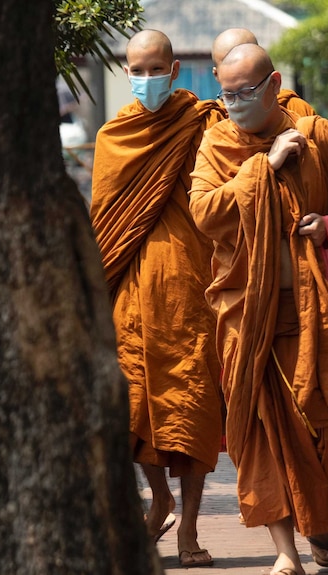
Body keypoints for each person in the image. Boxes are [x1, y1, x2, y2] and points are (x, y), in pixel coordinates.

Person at [188, 43, 328, 575]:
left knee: (318, 424)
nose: (233, 105)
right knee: (262, 428)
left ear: (274, 84)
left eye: (245, 93)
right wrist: (263, 168)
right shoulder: (216, 144)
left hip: (315, 310)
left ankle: (319, 526)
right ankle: (284, 551)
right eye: (225, 94)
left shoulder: (316, 137)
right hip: (247, 313)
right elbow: (204, 213)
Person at [90, 29, 225, 568]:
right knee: (134, 409)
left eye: (155, 70)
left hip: (191, 291)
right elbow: (104, 220)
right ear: (128, 73)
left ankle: (188, 529)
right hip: (128, 293)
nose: (146, 79)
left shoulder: (202, 124)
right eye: (136, 70)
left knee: (191, 405)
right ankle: (159, 497)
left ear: (174, 72)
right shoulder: (112, 135)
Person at [211, 27, 315, 117]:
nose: (239, 68)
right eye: (229, 63)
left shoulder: (295, 109)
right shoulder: (213, 122)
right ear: (216, 75)